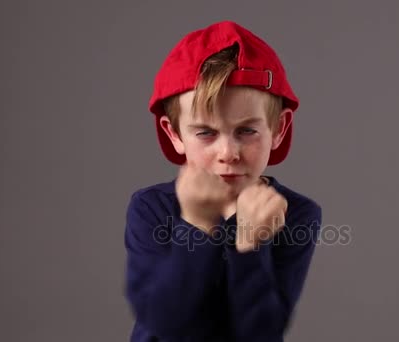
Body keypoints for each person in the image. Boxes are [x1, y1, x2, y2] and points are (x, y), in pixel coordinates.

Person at [124, 20, 322, 342]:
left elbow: (261, 331)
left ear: (279, 129)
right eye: (205, 133)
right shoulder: (151, 207)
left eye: (247, 131)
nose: (228, 152)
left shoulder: (294, 213)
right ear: (174, 134)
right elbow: (168, 323)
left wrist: (250, 245)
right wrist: (197, 225)